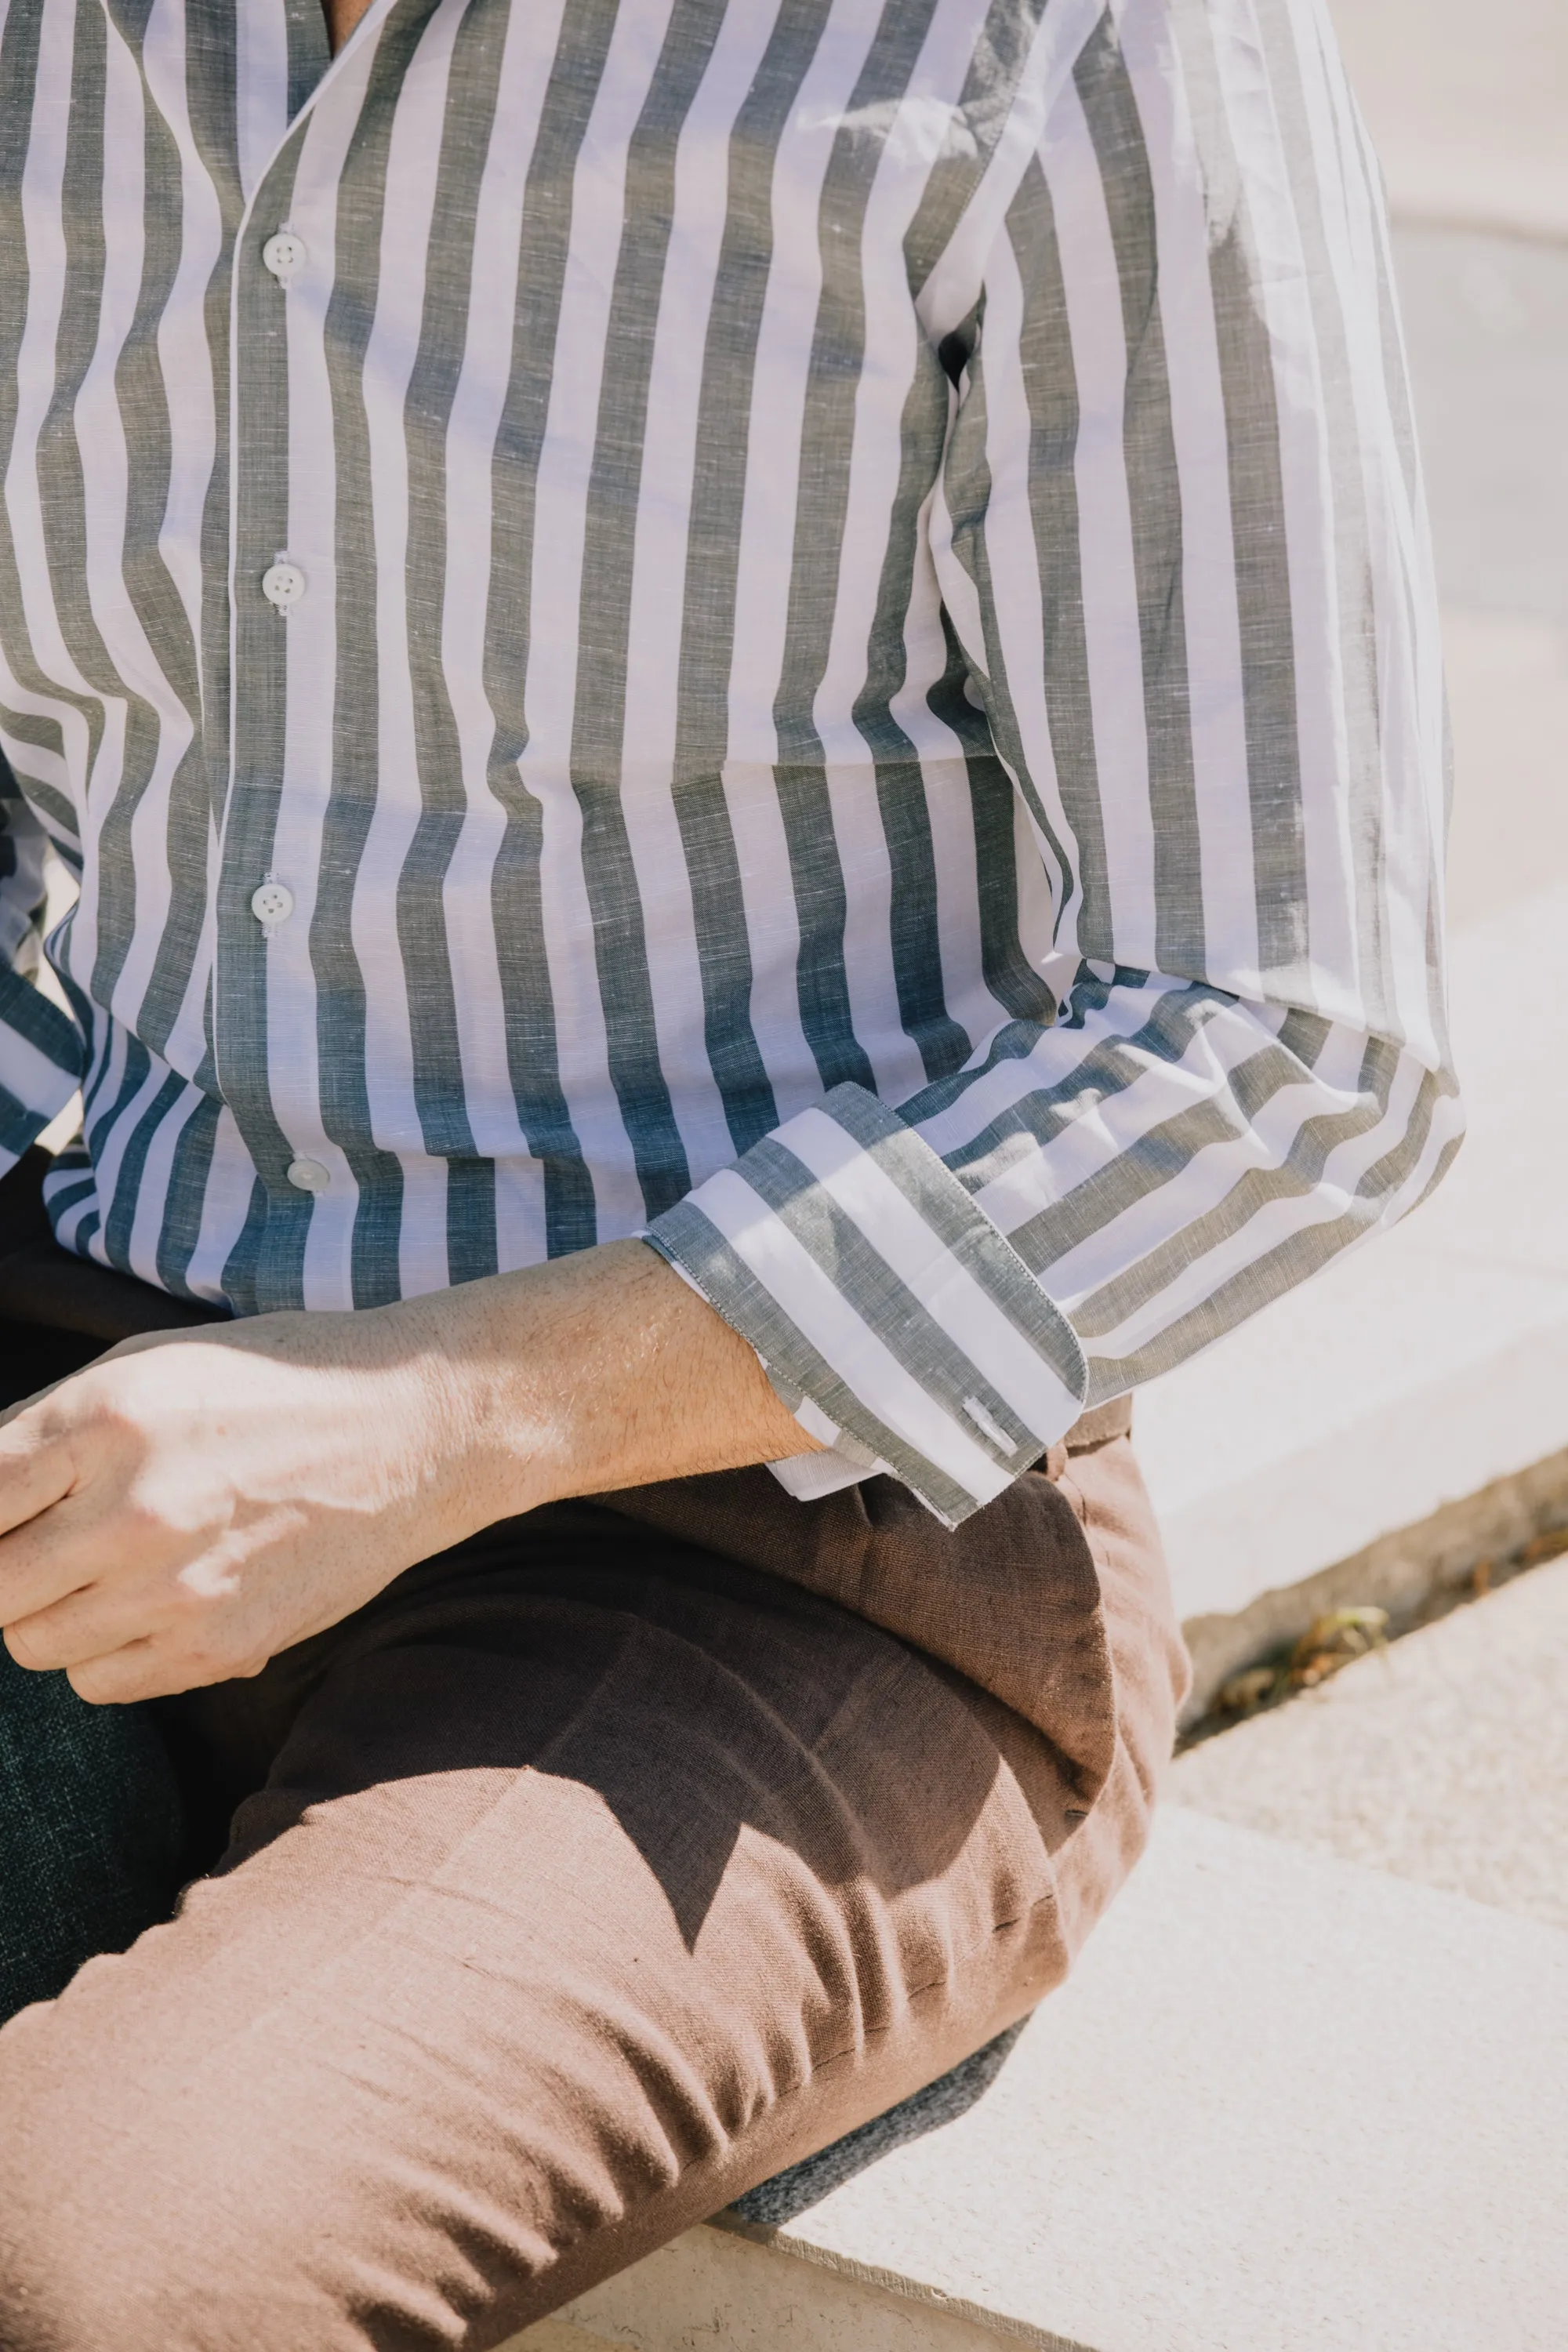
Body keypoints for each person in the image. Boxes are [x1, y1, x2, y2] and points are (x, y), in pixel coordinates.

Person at [0, 0, 1455, 2340]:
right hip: (88, 1393)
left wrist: (433, 1414)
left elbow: (1296, 1042)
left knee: (87, 2285)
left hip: (787, 1549)